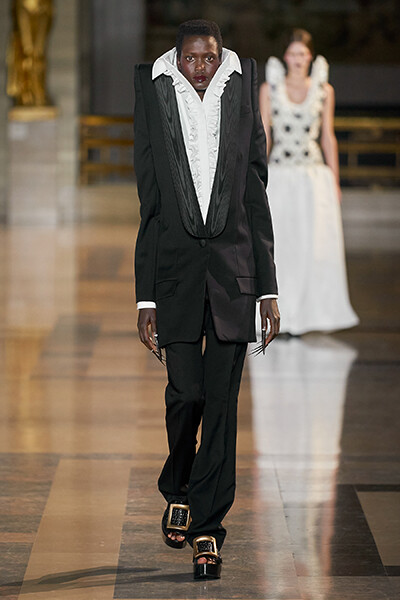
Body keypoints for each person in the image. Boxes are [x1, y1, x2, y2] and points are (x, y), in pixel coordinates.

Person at [134, 19, 280, 579]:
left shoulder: (241, 94)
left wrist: (267, 288)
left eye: (209, 58)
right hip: (173, 276)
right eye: (191, 58)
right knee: (186, 395)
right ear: (177, 58)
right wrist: (144, 298)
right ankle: (178, 483)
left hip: (233, 277)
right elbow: (149, 204)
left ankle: (208, 529)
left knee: (221, 407)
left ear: (221, 58)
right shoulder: (154, 93)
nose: (200, 67)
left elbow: (255, 195)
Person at [259, 29, 359, 335]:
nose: (298, 59)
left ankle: (305, 316)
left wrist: (335, 180)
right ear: (285, 56)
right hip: (279, 175)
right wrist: (257, 176)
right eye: (293, 53)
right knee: (280, 246)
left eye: (302, 54)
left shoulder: (323, 90)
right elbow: (264, 135)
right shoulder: (269, 88)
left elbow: (328, 136)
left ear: (310, 57)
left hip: (313, 178)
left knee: (310, 247)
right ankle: (279, 315)